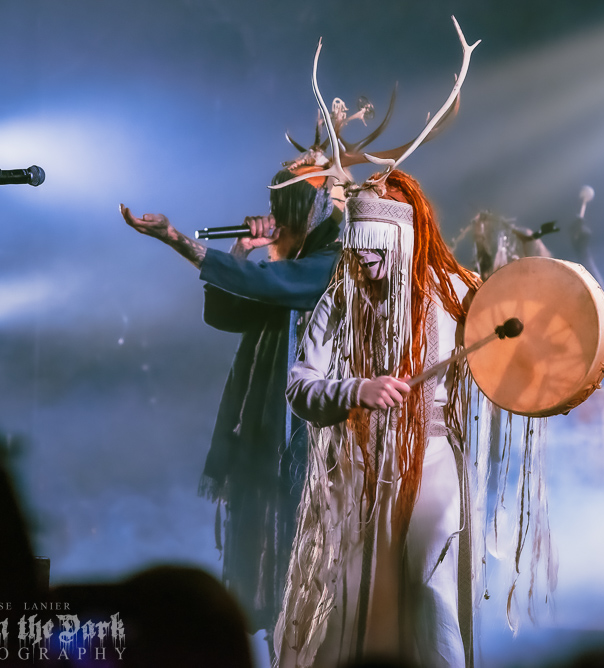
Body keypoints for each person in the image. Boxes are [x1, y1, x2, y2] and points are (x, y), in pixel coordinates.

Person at [119, 165, 341, 641]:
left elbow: (269, 285)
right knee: (267, 569)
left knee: (304, 574)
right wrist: (241, 250)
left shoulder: (332, 263)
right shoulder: (288, 268)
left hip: (304, 442)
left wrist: (176, 240)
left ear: (311, 211)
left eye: (286, 211)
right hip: (262, 434)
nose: (276, 221)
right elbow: (226, 312)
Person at [276, 170, 482, 668]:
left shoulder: (458, 293)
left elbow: (514, 352)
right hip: (357, 469)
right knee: (350, 596)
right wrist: (356, 390)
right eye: (358, 242)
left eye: (377, 243)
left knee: (431, 589)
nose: (365, 255)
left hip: (433, 460)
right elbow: (300, 387)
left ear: (404, 237)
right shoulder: (341, 299)